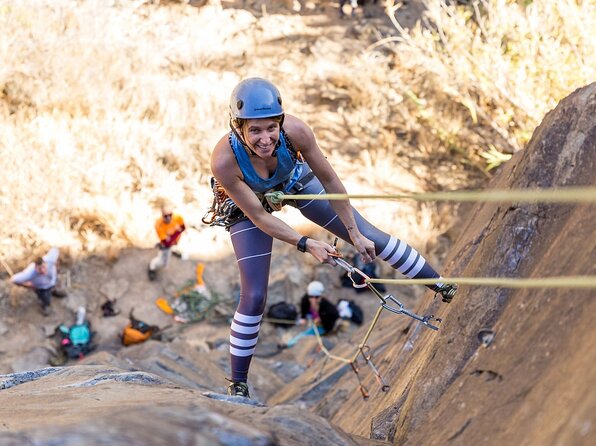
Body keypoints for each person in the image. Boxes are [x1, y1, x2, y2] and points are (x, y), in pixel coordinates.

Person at [210, 77, 457, 398]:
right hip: (247, 201)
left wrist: (354, 232)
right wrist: (306, 243)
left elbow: (330, 180)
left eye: (271, 128)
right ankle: (238, 382)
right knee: (254, 296)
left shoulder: (295, 133)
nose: (265, 138)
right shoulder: (224, 162)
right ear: (238, 127)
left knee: (371, 236)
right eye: (254, 130)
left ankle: (440, 285)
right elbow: (258, 216)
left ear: (281, 123)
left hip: (292, 179)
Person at [278, 281, 340, 349]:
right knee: (304, 332)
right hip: (312, 318)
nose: (313, 299)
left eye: (316, 297)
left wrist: (321, 320)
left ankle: (289, 344)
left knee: (304, 334)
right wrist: (303, 317)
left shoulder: (327, 307)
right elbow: (304, 310)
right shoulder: (305, 300)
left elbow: (334, 315)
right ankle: (289, 344)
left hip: (322, 326)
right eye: (311, 297)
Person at [10, 247, 66, 316]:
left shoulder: (50, 259)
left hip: (52, 282)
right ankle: (45, 305)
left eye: (43, 267)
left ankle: (54, 292)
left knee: (53, 287)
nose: (42, 270)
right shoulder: (29, 273)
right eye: (39, 269)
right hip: (42, 289)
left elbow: (55, 249)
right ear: (35, 268)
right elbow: (14, 279)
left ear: (45, 263)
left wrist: (56, 264)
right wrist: (28, 285)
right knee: (45, 298)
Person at [148, 203, 186, 281]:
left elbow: (183, 227)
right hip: (165, 245)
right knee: (163, 262)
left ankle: (173, 251)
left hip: (174, 242)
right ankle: (151, 267)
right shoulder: (159, 225)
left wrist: (175, 237)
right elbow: (166, 243)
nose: (168, 218)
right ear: (162, 214)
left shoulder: (177, 217)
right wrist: (178, 232)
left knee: (173, 247)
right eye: (165, 216)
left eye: (170, 215)